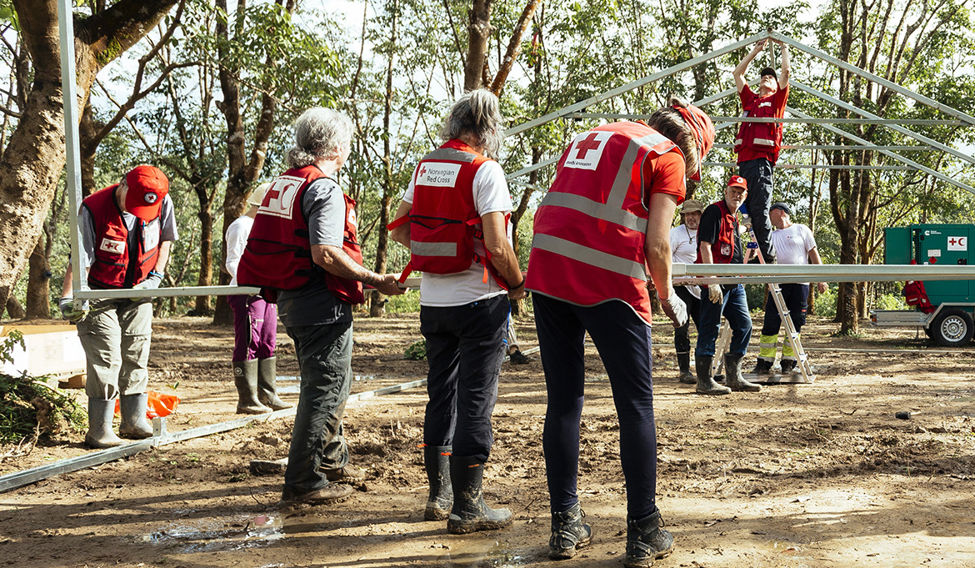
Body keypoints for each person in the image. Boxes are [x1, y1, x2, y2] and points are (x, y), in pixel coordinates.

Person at [526, 97, 711, 566]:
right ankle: (644, 530)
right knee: (635, 404)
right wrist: (668, 296)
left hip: (547, 269)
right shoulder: (666, 156)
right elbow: (658, 242)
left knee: (564, 400)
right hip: (609, 278)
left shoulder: (595, 134)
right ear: (690, 146)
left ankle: (565, 524)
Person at [238, 107, 404, 506]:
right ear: (337, 147)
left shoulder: (285, 184)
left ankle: (331, 459)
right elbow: (326, 253)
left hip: (293, 299)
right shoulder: (323, 188)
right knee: (325, 388)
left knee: (334, 381)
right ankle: (303, 480)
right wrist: (373, 279)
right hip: (321, 303)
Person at [388, 90, 526, 533]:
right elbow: (499, 245)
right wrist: (519, 284)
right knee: (476, 400)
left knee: (441, 396)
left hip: (434, 304)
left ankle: (438, 495)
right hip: (479, 302)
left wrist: (434, 254)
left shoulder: (427, 166)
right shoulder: (485, 170)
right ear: (489, 129)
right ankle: (469, 506)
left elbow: (398, 226)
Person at [58, 165, 177, 448]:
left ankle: (134, 421)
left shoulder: (162, 200)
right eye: (134, 203)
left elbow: (166, 241)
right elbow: (80, 257)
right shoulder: (93, 208)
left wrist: (156, 277)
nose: (139, 211)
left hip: (139, 290)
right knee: (106, 357)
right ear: (122, 185)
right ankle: (99, 430)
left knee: (137, 351)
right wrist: (69, 297)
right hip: (99, 290)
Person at [224, 182, 292, 415]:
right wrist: (254, 278)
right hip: (246, 292)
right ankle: (247, 398)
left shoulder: (266, 228)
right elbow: (232, 262)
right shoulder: (242, 226)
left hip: (266, 291)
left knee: (268, 340)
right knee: (248, 341)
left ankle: (268, 393)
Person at [694, 176, 762, 395]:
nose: (737, 195)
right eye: (733, 191)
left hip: (735, 282)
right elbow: (705, 245)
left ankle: (734, 376)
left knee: (744, 325)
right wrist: (711, 279)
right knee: (710, 327)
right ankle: (704, 381)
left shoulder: (735, 219)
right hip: (717, 281)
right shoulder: (714, 212)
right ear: (726, 191)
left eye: (741, 192)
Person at [731, 38, 791, 262]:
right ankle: (740, 256)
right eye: (763, 75)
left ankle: (769, 259)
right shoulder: (750, 100)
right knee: (740, 212)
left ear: (776, 86)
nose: (767, 77)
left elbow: (786, 72)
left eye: (771, 77)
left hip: (761, 165)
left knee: (758, 211)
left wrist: (784, 47)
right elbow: (738, 74)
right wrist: (755, 51)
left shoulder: (776, 101)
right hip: (744, 164)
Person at [753, 202, 825, 377]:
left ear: (779, 212)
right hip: (778, 284)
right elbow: (761, 256)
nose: (769, 219)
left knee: (795, 322)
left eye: (770, 214)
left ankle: (789, 362)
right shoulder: (770, 235)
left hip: (800, 284)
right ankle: (764, 362)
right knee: (771, 322)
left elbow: (813, 253)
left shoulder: (801, 229)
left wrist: (821, 278)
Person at [669, 199, 707, 384]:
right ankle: (684, 370)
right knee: (681, 327)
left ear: (701, 215)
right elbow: (665, 257)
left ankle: (705, 369)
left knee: (705, 328)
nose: (691, 218)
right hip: (680, 286)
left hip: (702, 287)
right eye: (688, 214)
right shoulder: (675, 234)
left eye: (695, 214)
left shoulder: (707, 232)